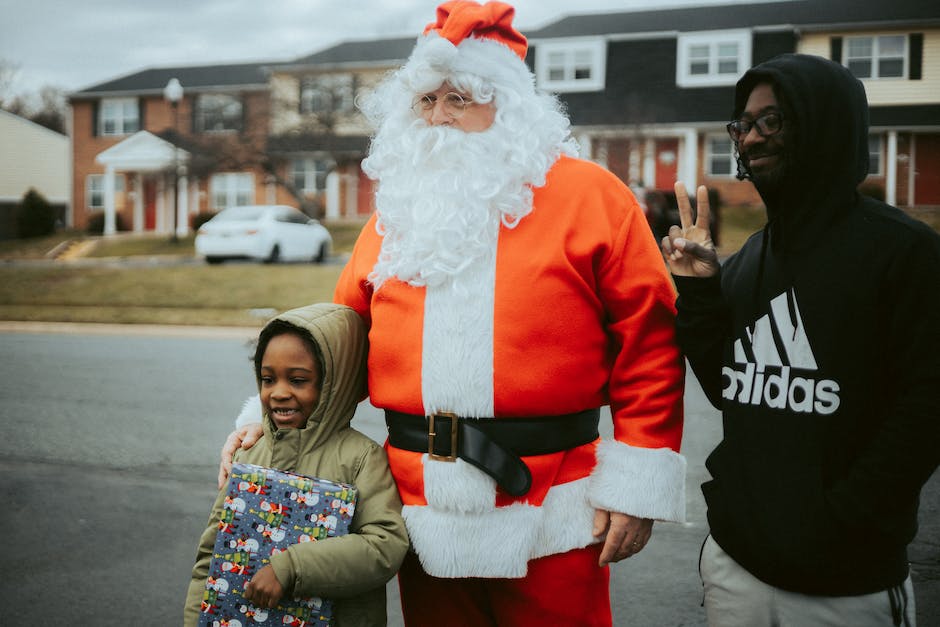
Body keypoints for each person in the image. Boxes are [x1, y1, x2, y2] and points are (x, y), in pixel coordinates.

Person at [224, 2, 687, 625]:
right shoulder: (398, 211)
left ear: (509, 107)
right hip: (419, 507)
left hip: (553, 501)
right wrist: (268, 417)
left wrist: (636, 484)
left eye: (459, 99)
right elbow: (338, 342)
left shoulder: (592, 196)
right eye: (426, 101)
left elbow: (649, 342)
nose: (438, 117)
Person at [661, 53, 940, 626]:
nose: (751, 137)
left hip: (844, 584)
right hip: (735, 568)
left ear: (825, 124)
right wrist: (702, 295)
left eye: (773, 120)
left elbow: (926, 411)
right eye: (742, 124)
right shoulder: (749, 262)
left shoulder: (903, 253)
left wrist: (839, 521)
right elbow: (729, 390)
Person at [186, 303, 409, 626]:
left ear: (334, 384)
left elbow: (384, 546)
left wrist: (290, 568)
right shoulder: (250, 453)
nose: (278, 393)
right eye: (267, 378)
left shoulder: (361, 459)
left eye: (298, 380)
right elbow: (211, 557)